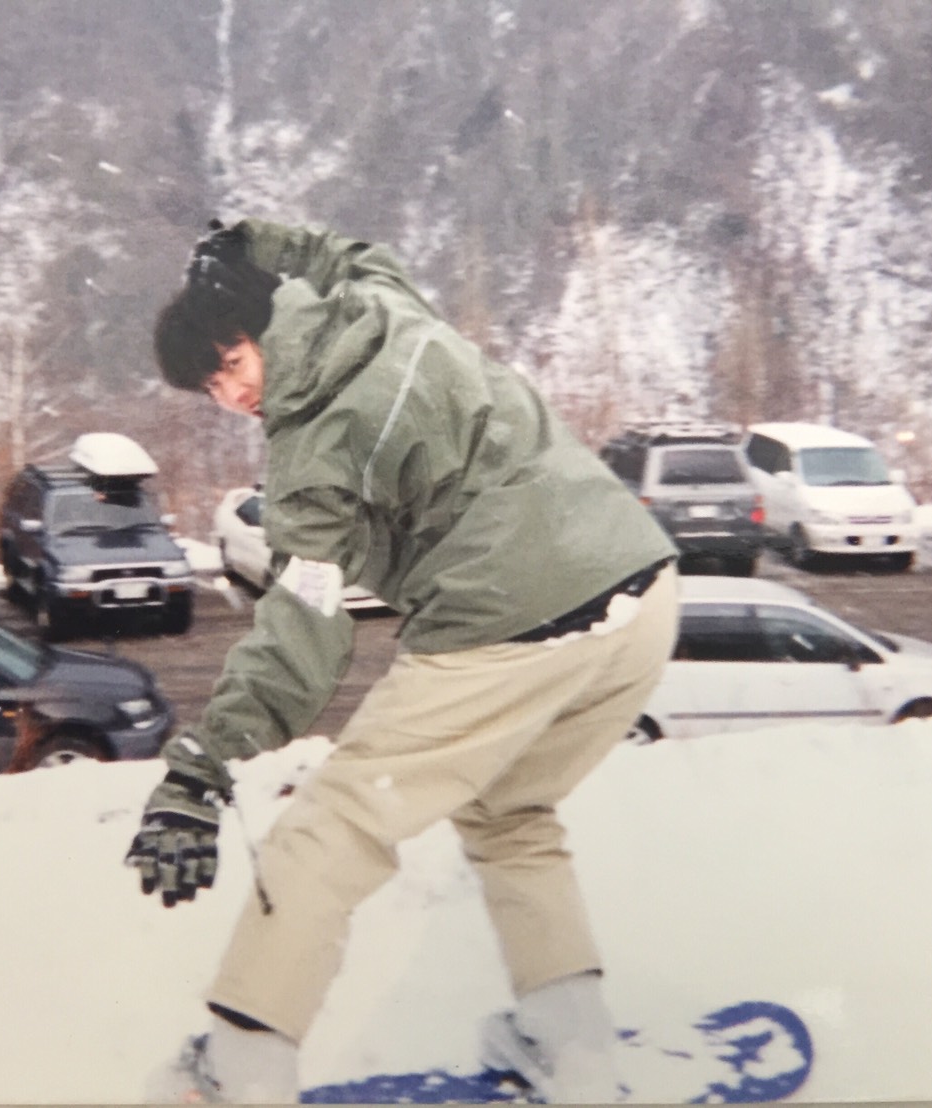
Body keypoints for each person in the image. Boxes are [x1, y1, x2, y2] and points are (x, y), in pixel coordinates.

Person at [126, 218, 679, 1103]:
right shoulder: (381, 304)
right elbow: (333, 252)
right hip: (641, 592)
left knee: (330, 832)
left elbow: (299, 637)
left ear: (262, 328)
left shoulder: (311, 458)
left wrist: (201, 768)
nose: (233, 395)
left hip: (509, 627)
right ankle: (572, 1045)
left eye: (232, 363)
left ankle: (239, 1074)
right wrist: (249, 241)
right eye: (212, 387)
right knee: (509, 811)